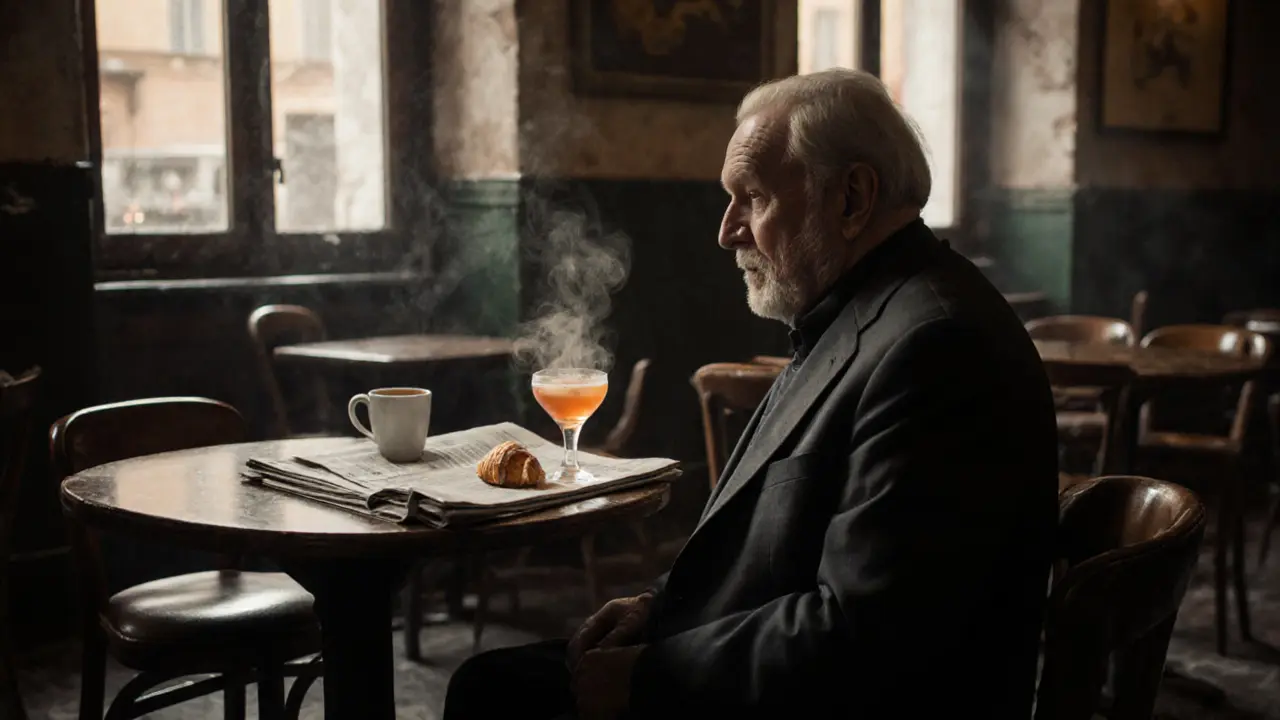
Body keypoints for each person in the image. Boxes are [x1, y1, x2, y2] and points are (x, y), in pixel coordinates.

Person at [444, 68, 1059, 719]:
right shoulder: (860, 312)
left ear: (851, 198)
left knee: (494, 695)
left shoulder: (937, 347)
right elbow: (773, 553)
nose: (726, 231)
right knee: (494, 682)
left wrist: (654, 675)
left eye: (753, 198)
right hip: (756, 668)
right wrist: (660, 608)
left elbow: (871, 634)